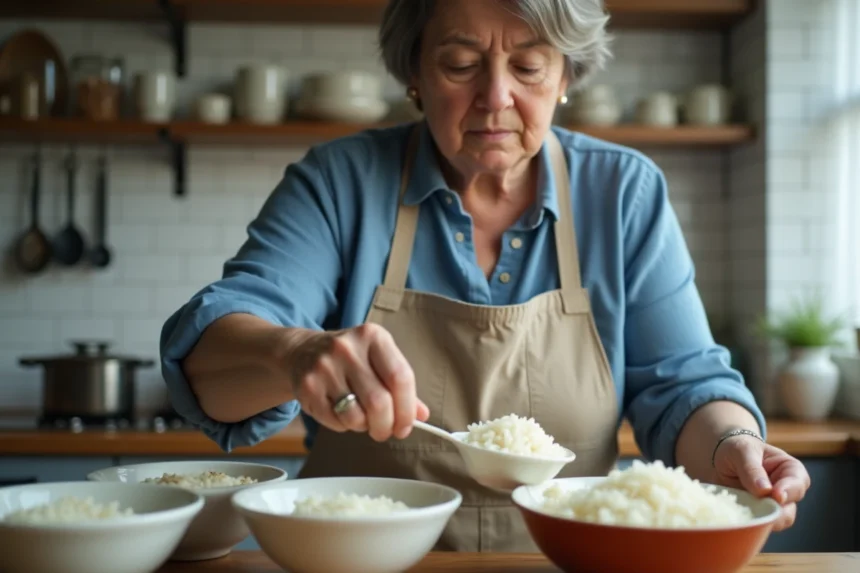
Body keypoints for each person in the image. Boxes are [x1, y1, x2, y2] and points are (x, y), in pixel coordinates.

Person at [160, 0, 811, 552]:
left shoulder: (623, 192)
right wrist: (294, 352)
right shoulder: (340, 182)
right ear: (414, 73)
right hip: (355, 560)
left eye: (528, 67)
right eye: (460, 64)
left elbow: (684, 386)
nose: (496, 97)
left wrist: (734, 443)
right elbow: (207, 364)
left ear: (565, 76)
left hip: (568, 563)